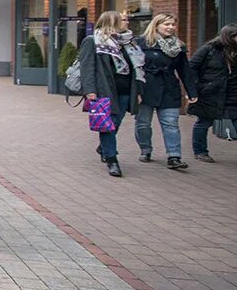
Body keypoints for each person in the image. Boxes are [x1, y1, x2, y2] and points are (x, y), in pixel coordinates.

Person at [80, 11, 145, 178]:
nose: (127, 22)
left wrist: (138, 90)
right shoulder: (92, 41)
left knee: (115, 124)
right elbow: (87, 67)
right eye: (123, 20)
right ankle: (112, 159)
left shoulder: (129, 43)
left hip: (125, 90)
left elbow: (136, 68)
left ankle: (103, 147)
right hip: (104, 90)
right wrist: (89, 90)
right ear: (112, 22)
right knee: (108, 125)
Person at [133, 13, 188, 169]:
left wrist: (192, 92)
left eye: (172, 24)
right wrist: (135, 91)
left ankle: (174, 156)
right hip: (146, 88)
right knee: (143, 123)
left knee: (171, 123)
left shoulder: (178, 46)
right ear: (156, 25)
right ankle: (145, 149)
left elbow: (185, 71)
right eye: (166, 24)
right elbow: (134, 68)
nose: (170, 27)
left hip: (169, 89)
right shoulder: (141, 43)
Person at [187, 23, 237, 164]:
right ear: (229, 37)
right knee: (204, 121)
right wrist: (197, 87)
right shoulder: (209, 49)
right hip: (211, 92)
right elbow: (192, 67)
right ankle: (200, 151)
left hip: (233, 92)